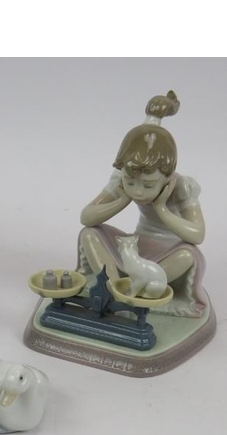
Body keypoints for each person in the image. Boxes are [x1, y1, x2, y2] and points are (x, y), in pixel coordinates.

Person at [78, 91, 208, 317]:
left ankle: (139, 289)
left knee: (188, 255)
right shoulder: (121, 180)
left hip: (168, 253)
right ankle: (116, 288)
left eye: (148, 185)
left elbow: (197, 234)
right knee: (89, 234)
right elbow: (86, 216)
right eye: (131, 182)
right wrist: (121, 200)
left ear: (167, 177)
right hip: (136, 247)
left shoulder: (181, 187)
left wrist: (162, 208)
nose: (138, 191)